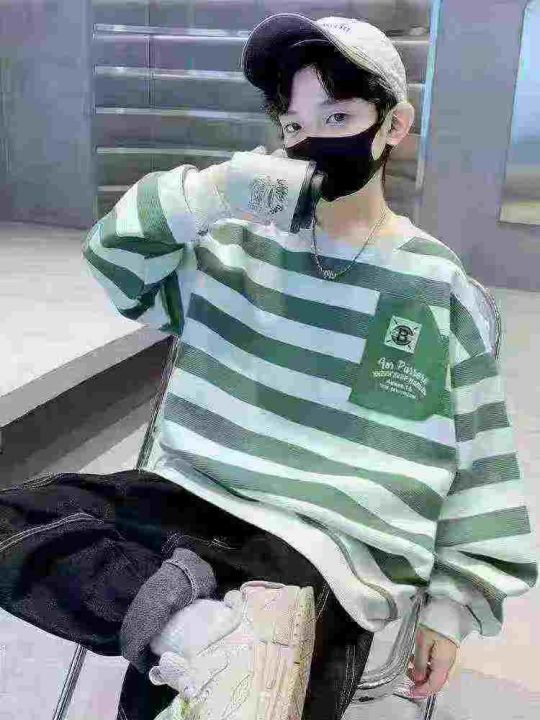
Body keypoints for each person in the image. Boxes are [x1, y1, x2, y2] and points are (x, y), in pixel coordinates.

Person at [0, 13, 537, 720]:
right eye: (292, 125)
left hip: (328, 548)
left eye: (338, 116)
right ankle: (194, 632)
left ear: (394, 125)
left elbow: (478, 457)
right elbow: (115, 262)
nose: (311, 141)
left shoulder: (434, 288)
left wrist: (453, 606)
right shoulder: (233, 250)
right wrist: (214, 192)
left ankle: (195, 637)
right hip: (187, 498)